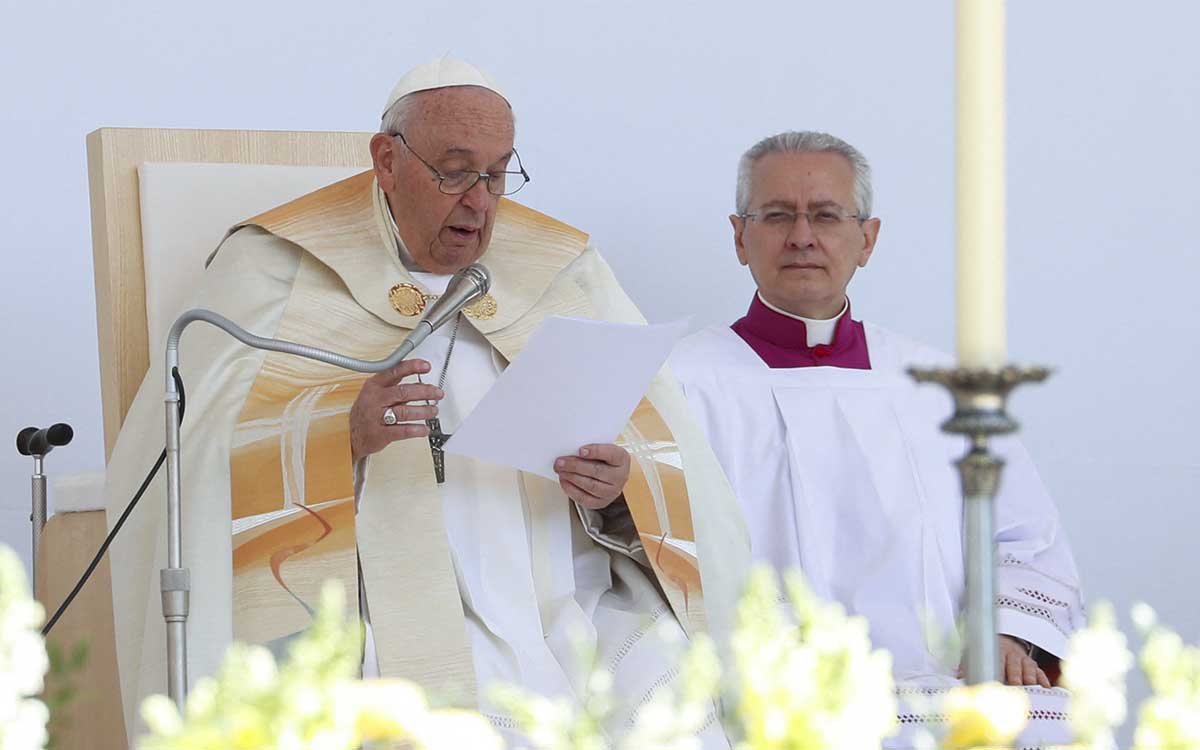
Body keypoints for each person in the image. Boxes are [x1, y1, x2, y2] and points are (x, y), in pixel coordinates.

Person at [104, 58, 747, 747]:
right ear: (387, 160)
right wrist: (339, 435)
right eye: (455, 171)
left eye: (497, 174)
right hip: (382, 614)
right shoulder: (276, 268)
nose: (480, 202)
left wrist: (616, 492)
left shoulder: (562, 269)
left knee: (675, 701)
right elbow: (191, 459)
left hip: (568, 604)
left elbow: (666, 464)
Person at [670, 130, 1083, 747]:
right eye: (776, 215)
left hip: (945, 687)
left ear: (867, 239)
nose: (802, 236)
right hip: (765, 696)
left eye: (826, 215)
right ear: (739, 237)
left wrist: (1005, 633)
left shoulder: (944, 387)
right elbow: (654, 554)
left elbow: (1025, 536)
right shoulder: (675, 384)